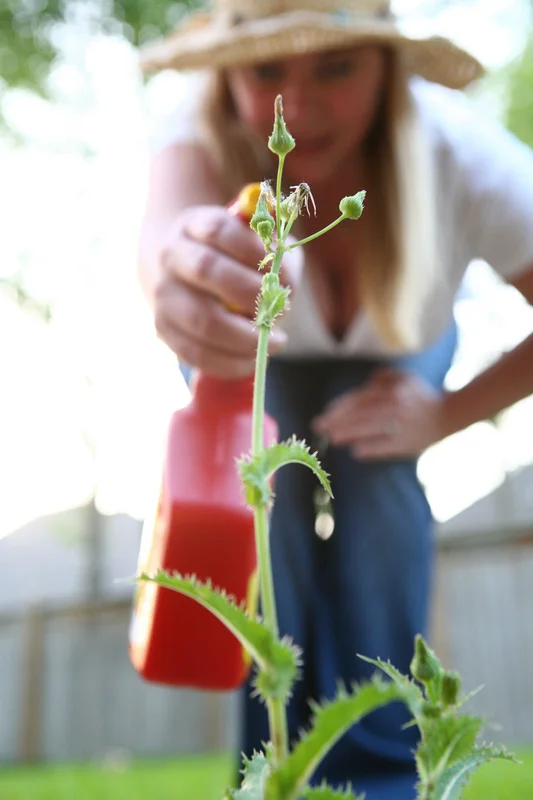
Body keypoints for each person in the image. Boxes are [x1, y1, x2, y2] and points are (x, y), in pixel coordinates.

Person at [136, 2, 533, 797]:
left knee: (376, 472)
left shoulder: (462, 152)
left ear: (386, 70)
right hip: (246, 354)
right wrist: (176, 280)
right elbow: (162, 248)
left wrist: (444, 413)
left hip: (397, 351)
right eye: (267, 71)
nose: (300, 106)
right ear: (228, 79)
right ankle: (273, 763)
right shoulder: (195, 133)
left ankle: (381, 769)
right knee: (261, 494)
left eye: (335, 66)